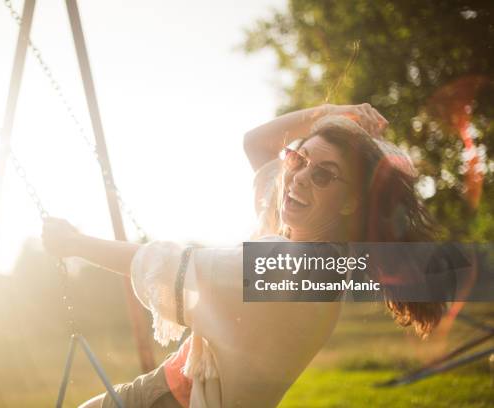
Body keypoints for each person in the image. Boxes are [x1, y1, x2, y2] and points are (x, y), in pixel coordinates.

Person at [42, 103, 445, 407]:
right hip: (165, 387)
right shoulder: (298, 242)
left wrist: (75, 244)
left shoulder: (300, 267)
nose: (299, 176)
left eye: (322, 174)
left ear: (350, 201)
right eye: (298, 158)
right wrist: (333, 115)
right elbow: (256, 143)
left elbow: (169, 266)